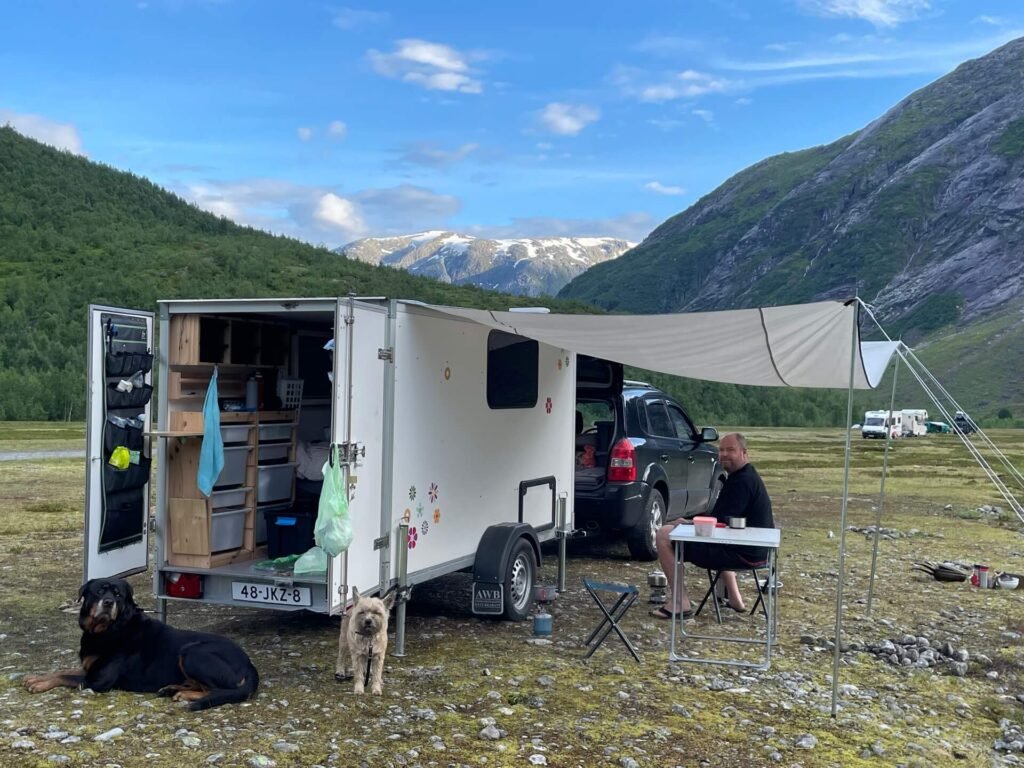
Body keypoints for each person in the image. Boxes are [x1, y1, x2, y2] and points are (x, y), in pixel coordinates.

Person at [651, 432, 774, 619]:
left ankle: (680, 602)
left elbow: (717, 524)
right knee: (724, 539)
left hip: (743, 555)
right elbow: (725, 523)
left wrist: (688, 524)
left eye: (730, 450)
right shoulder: (746, 475)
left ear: (744, 453)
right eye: (721, 450)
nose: (724, 454)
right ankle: (735, 599)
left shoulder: (742, 482)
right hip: (757, 552)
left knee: (664, 535)